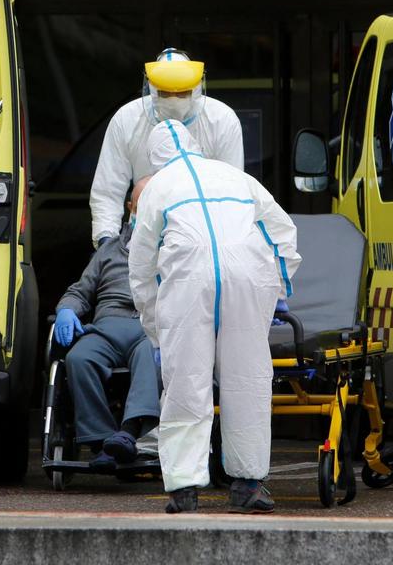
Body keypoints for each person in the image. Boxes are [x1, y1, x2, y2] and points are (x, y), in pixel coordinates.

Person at [128, 120, 300, 514]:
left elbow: (140, 265)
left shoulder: (156, 188)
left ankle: (185, 489)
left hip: (188, 283)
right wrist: (276, 287)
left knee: (186, 383)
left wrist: (155, 329)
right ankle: (249, 485)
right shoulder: (234, 176)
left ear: (155, 158)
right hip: (246, 278)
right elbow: (283, 232)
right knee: (248, 381)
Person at [90, 48, 244, 249]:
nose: (173, 99)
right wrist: (106, 246)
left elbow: (233, 193)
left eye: (182, 93)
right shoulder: (126, 120)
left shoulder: (221, 120)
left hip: (203, 238)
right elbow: (107, 192)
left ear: (198, 87)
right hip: (143, 235)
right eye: (165, 93)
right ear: (151, 88)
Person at [53, 177, 159, 467]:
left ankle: (128, 433)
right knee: (78, 357)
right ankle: (102, 442)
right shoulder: (109, 250)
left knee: (151, 354)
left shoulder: (173, 247)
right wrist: (67, 310)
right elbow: (80, 291)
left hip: (148, 325)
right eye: (141, 204)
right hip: (106, 325)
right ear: (130, 207)